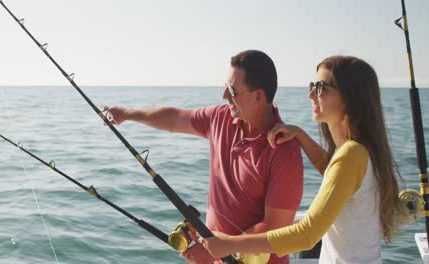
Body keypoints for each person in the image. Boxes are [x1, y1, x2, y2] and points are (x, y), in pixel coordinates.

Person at [103, 50, 304, 264]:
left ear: (258, 96)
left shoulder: (284, 151)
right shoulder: (220, 118)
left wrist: (215, 251)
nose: (224, 96)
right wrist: (128, 114)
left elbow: (274, 228)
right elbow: (175, 118)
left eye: (232, 91)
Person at [198, 55, 403, 264]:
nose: (311, 95)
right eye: (312, 85)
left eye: (321, 87)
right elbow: (333, 172)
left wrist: (230, 244)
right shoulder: (357, 153)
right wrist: (300, 135)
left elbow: (306, 235)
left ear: (350, 97)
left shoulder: (351, 155)